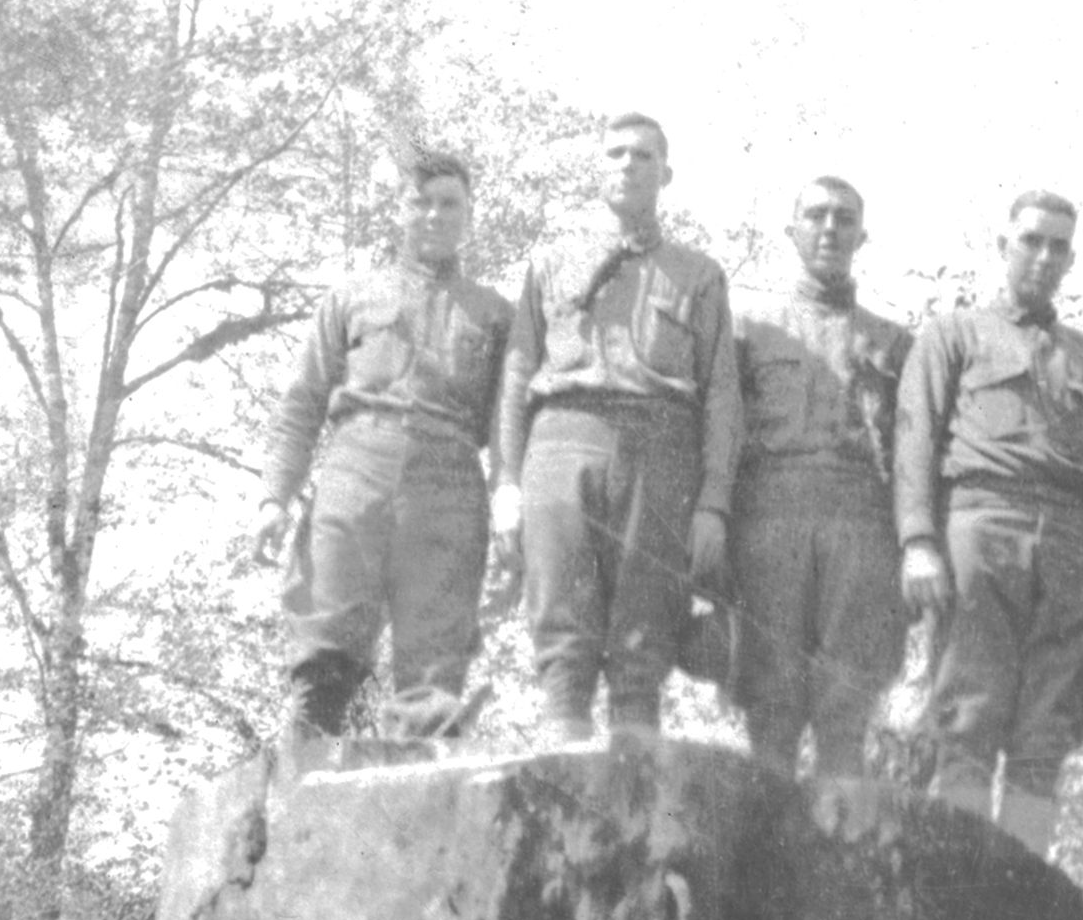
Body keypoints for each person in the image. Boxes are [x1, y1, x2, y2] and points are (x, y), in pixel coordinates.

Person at [893, 192, 1083, 855]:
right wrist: (917, 541)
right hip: (980, 524)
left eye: (1058, 246)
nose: (1043, 256)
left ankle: (1018, 887)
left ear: (1070, 259)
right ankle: (959, 873)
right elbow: (913, 439)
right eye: (1031, 240)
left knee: (1045, 730)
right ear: (1003, 246)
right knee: (967, 714)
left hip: (1067, 544)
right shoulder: (953, 335)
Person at [254, 150, 512, 763]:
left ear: (469, 215)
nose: (434, 215)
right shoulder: (350, 298)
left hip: (448, 486)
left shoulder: (495, 314)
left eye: (449, 203)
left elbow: (507, 426)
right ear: (399, 210)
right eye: (420, 202)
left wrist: (508, 506)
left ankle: (417, 827)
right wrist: (274, 496)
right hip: (355, 469)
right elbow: (303, 402)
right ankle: (291, 809)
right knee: (324, 652)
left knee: (432, 672)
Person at [494, 113, 741, 742]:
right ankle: (564, 763)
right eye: (614, 154)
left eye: (642, 156)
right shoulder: (550, 265)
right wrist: (505, 483)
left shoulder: (698, 275)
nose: (627, 165)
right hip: (561, 442)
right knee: (562, 629)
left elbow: (721, 399)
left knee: (644, 636)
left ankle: (637, 797)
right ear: (597, 167)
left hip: (659, 452)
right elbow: (518, 372)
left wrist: (712, 503)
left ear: (666, 173)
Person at [726, 175, 911, 787]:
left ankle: (835, 865)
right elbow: (721, 435)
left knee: (846, 705)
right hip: (771, 519)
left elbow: (911, 455)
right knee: (771, 700)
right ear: (792, 231)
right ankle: (765, 860)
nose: (830, 228)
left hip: (861, 523)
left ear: (863, 234)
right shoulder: (751, 330)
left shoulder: (891, 342)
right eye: (815, 216)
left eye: (844, 218)